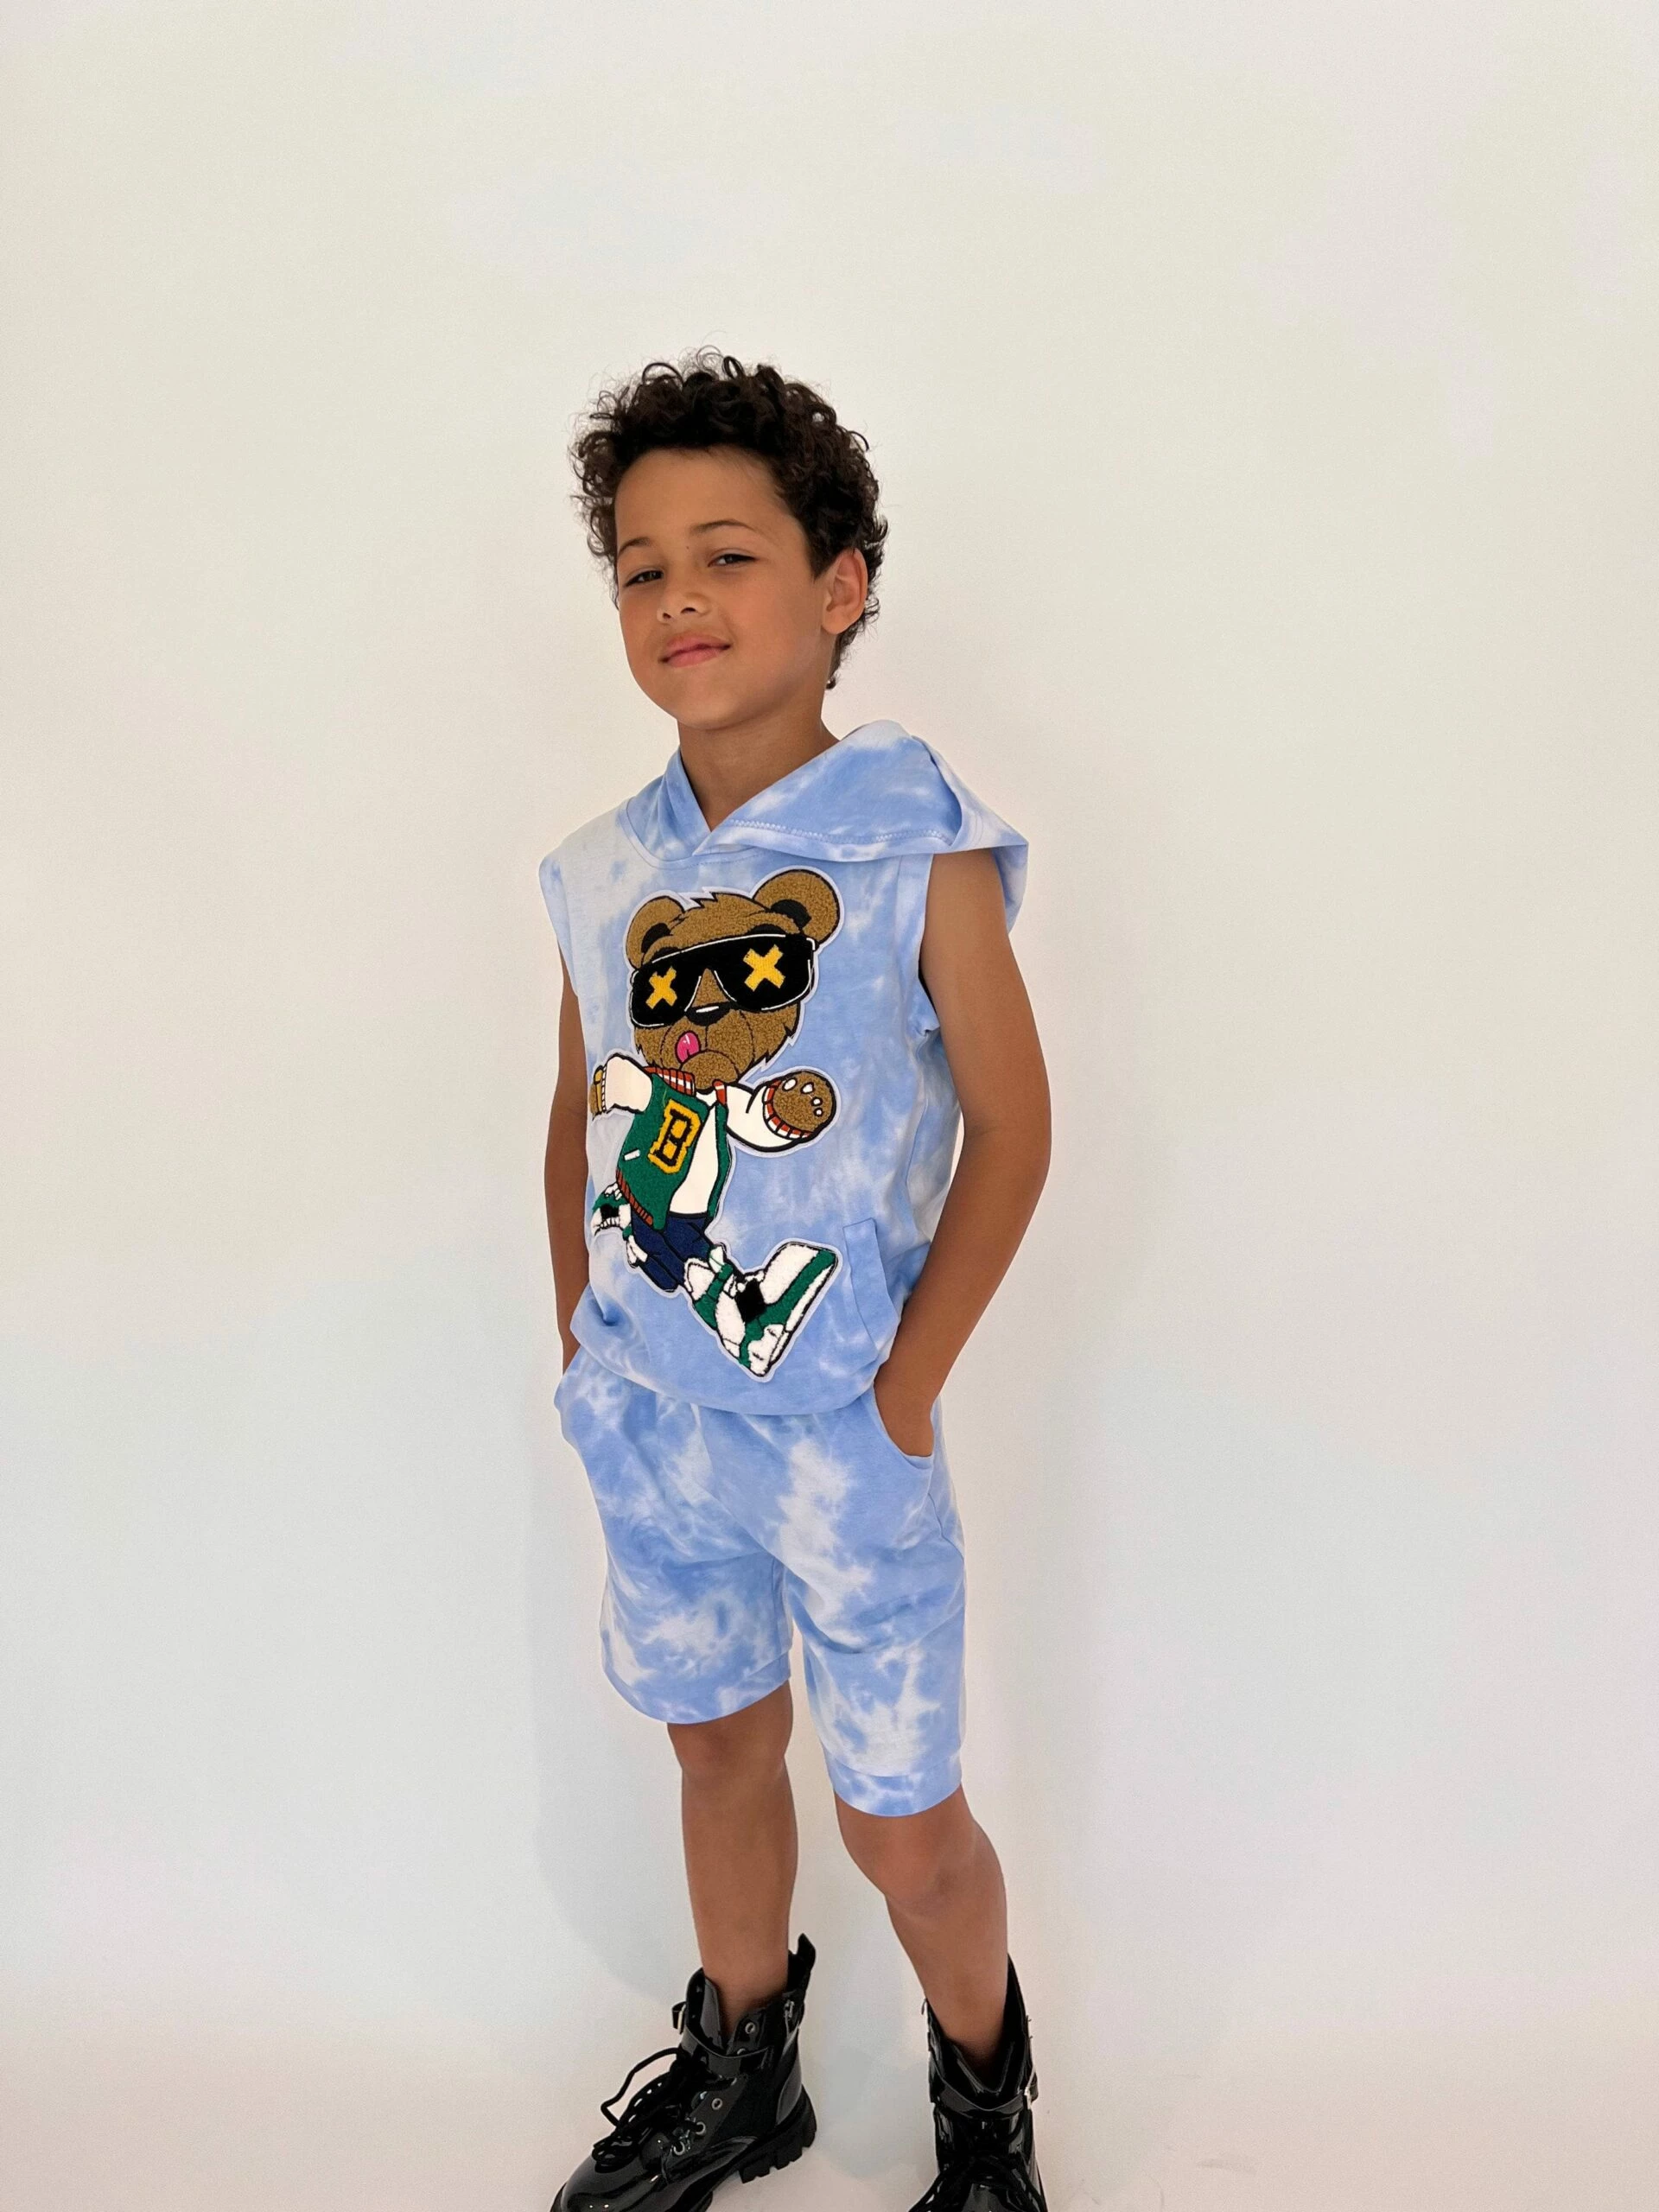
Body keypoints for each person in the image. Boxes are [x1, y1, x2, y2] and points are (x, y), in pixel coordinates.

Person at [538, 350, 1052, 2212]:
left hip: (843, 1431)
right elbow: (580, 1111)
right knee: (716, 1747)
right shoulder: (605, 870)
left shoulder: (914, 844)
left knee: (902, 1820)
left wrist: (902, 1391)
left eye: (728, 555)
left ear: (839, 587)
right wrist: (585, 1338)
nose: (678, 596)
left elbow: (1014, 1129)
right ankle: (744, 2064)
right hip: (658, 1420)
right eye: (641, 566)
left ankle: (985, 2099)